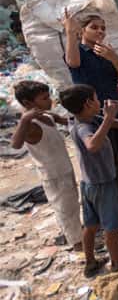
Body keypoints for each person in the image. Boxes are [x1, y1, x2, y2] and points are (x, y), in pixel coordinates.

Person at [60, 84, 118, 277]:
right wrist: (108, 117)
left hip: (89, 183)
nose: (99, 101)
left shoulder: (90, 119)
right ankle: (117, 263)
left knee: (91, 225)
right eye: (96, 99)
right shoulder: (82, 127)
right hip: (102, 183)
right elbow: (92, 145)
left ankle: (91, 262)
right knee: (111, 226)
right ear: (88, 103)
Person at [63, 10, 118, 192]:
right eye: (94, 28)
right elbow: (72, 62)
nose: (100, 31)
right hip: (92, 112)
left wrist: (114, 59)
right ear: (83, 31)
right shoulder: (79, 51)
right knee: (107, 153)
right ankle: (112, 190)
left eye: (103, 28)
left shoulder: (107, 52)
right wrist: (71, 32)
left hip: (113, 107)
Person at [11, 81, 82, 250]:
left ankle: (78, 233)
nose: (49, 101)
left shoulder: (48, 117)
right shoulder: (30, 125)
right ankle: (77, 243)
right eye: (44, 98)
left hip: (65, 168)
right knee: (65, 209)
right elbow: (15, 144)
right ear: (28, 103)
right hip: (53, 175)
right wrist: (24, 119)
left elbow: (69, 121)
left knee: (72, 203)